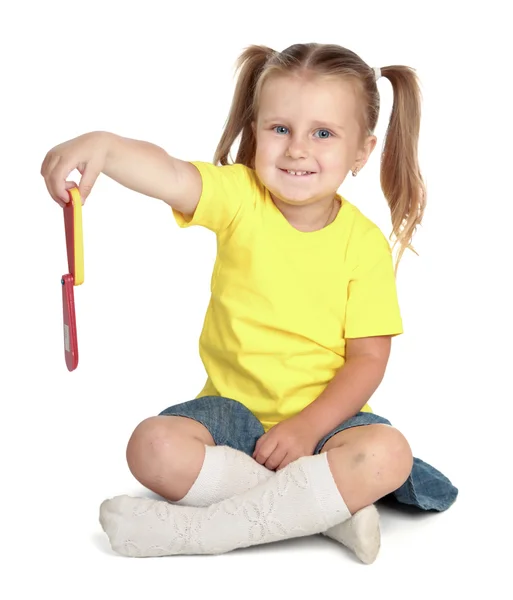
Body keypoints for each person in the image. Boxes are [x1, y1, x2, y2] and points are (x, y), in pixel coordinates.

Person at [41, 42, 458, 563]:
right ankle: (326, 512)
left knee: (388, 455)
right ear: (255, 131)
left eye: (323, 133)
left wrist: (308, 428)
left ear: (361, 152)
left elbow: (369, 360)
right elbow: (169, 174)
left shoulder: (363, 244)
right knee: (150, 447)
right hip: (230, 419)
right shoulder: (239, 198)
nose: (297, 149)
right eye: (279, 128)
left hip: (328, 424)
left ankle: (207, 531)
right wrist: (105, 145)